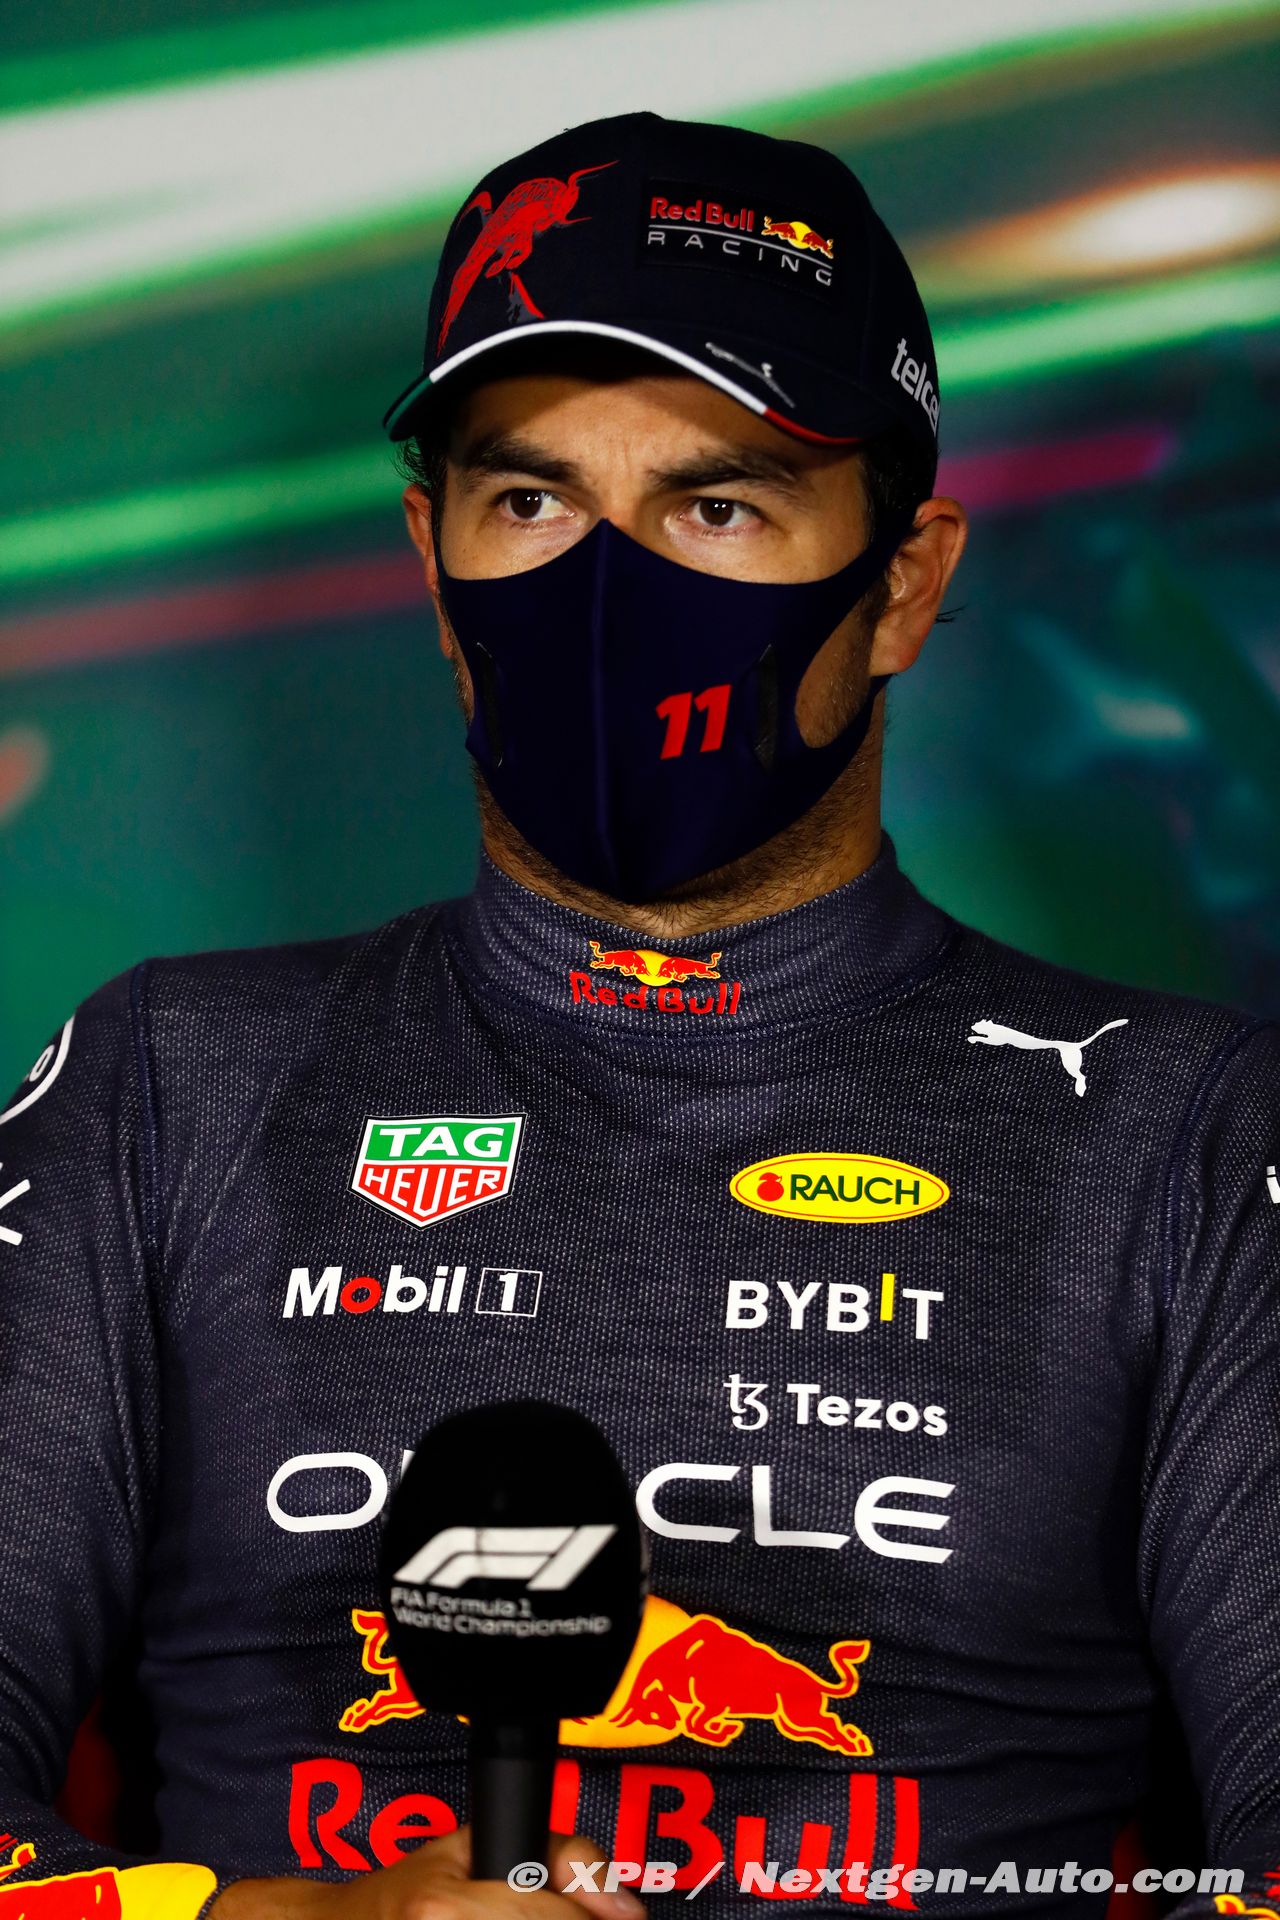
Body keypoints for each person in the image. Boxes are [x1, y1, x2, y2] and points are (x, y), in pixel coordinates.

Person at [0, 108, 1277, 1920]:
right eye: (530, 501)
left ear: (904, 583)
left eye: (718, 504)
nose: (607, 592)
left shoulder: (1189, 1136)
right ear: (432, 557)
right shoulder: (168, 1085)